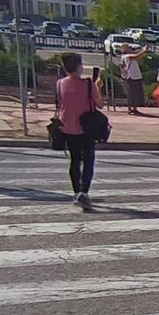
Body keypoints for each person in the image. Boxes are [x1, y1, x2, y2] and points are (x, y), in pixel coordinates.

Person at [55, 52, 104, 210]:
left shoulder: (60, 83)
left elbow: (59, 103)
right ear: (79, 67)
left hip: (67, 127)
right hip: (86, 129)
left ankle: (77, 192)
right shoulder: (88, 84)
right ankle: (84, 192)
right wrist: (98, 88)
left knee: (75, 160)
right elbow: (100, 104)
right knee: (88, 162)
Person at [119, 44, 148, 115]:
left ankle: (134, 108)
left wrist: (143, 51)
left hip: (135, 76)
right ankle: (130, 109)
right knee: (131, 93)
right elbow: (136, 56)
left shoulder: (127, 56)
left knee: (135, 93)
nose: (131, 49)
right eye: (129, 48)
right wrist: (143, 50)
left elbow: (138, 56)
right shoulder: (126, 56)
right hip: (131, 77)